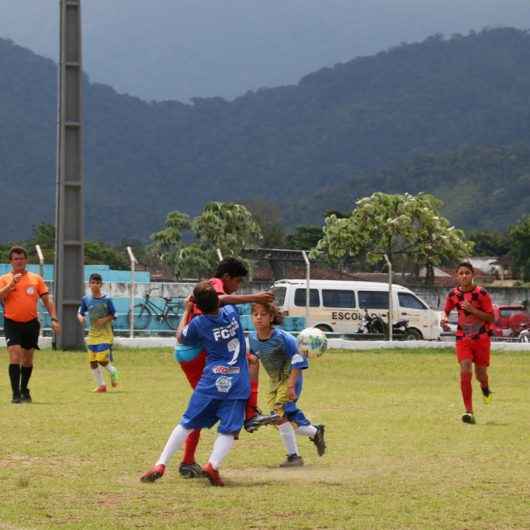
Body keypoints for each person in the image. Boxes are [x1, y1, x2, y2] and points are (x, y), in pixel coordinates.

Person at [176, 257, 277, 478]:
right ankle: (187, 460)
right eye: (238, 281)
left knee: (249, 360)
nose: (238, 286)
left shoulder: (212, 288)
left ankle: (248, 413)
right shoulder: (214, 286)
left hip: (199, 351)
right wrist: (255, 297)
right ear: (227, 278)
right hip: (194, 354)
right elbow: (224, 300)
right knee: (201, 409)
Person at [141, 281, 249, 486]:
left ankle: (160, 464)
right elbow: (228, 300)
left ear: (197, 305)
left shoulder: (198, 324)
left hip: (211, 381)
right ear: (217, 300)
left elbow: (181, 336)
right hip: (236, 381)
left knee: (187, 422)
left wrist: (186, 311)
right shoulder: (231, 313)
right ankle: (213, 465)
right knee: (229, 429)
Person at [248, 302, 326, 467]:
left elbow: (299, 359)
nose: (259, 318)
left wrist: (291, 386)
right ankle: (315, 432)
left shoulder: (283, 338)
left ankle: (294, 457)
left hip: (290, 378)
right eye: (255, 314)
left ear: (271, 318)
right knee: (281, 421)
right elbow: (254, 362)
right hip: (274, 382)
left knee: (278, 416)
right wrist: (251, 387)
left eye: (263, 314)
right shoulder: (253, 338)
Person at [0, 246, 61, 403]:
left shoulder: (36, 279)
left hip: (31, 323)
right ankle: (15, 394)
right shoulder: (4, 279)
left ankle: (24, 389)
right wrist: (10, 285)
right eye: (15, 259)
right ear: (11, 262)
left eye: (21, 258)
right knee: (14, 355)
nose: (19, 261)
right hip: (12, 322)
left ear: (26, 260)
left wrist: (54, 319)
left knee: (27, 360)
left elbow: (47, 300)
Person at [441, 262, 495, 425]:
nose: (464, 276)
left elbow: (491, 318)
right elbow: (446, 309)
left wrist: (473, 310)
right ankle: (469, 411)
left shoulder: (481, 293)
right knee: (465, 369)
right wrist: (443, 318)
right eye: (461, 273)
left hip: (481, 338)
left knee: (480, 375)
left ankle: (485, 388)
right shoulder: (453, 294)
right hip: (462, 337)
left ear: (473, 275)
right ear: (457, 276)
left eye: (467, 273)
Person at [77, 273, 119, 392]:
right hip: (92, 335)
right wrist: (80, 317)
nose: (95, 285)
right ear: (89, 284)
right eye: (92, 283)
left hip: (106, 335)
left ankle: (113, 371)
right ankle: (102, 385)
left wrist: (104, 320)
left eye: (97, 283)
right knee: (93, 362)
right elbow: (80, 311)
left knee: (101, 359)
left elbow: (114, 314)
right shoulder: (86, 299)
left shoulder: (107, 299)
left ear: (101, 284)